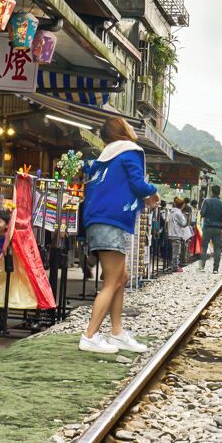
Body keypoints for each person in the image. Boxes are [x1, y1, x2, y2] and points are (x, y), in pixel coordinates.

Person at [80, 116, 158, 354]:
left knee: (120, 277)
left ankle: (117, 332)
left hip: (97, 219)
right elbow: (138, 183)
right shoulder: (129, 152)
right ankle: (90, 336)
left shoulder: (104, 157)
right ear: (122, 130)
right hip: (111, 220)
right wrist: (153, 192)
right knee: (113, 281)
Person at [196, 185, 222, 272]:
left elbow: (202, 213)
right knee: (217, 248)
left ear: (211, 192)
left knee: (204, 247)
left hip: (207, 227)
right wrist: (220, 220)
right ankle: (215, 269)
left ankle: (202, 267)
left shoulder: (207, 201)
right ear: (219, 192)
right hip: (218, 228)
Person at [166, 196, 191, 272]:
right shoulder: (178, 213)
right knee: (176, 252)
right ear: (182, 205)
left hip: (171, 234)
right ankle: (175, 267)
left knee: (174, 251)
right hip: (176, 234)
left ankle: (174, 265)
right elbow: (183, 223)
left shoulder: (172, 212)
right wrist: (186, 217)